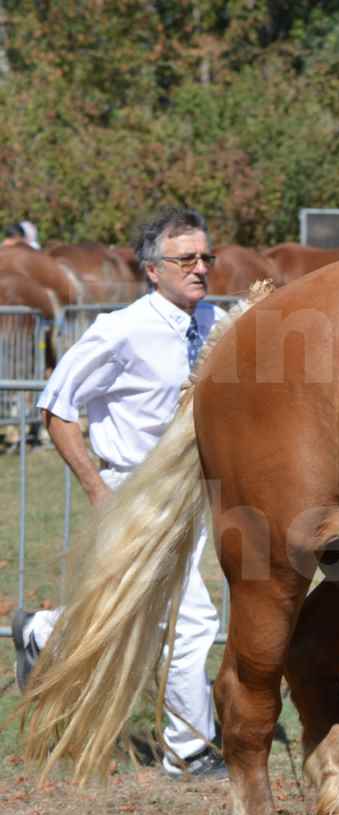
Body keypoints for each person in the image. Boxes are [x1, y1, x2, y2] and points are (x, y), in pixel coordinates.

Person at [11, 207, 227, 781]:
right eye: (187, 259)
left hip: (189, 491)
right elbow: (56, 408)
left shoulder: (216, 322)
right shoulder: (120, 329)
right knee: (189, 619)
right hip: (134, 488)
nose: (200, 268)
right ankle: (191, 749)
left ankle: (42, 634)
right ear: (153, 270)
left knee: (135, 612)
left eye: (207, 257)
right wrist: (99, 490)